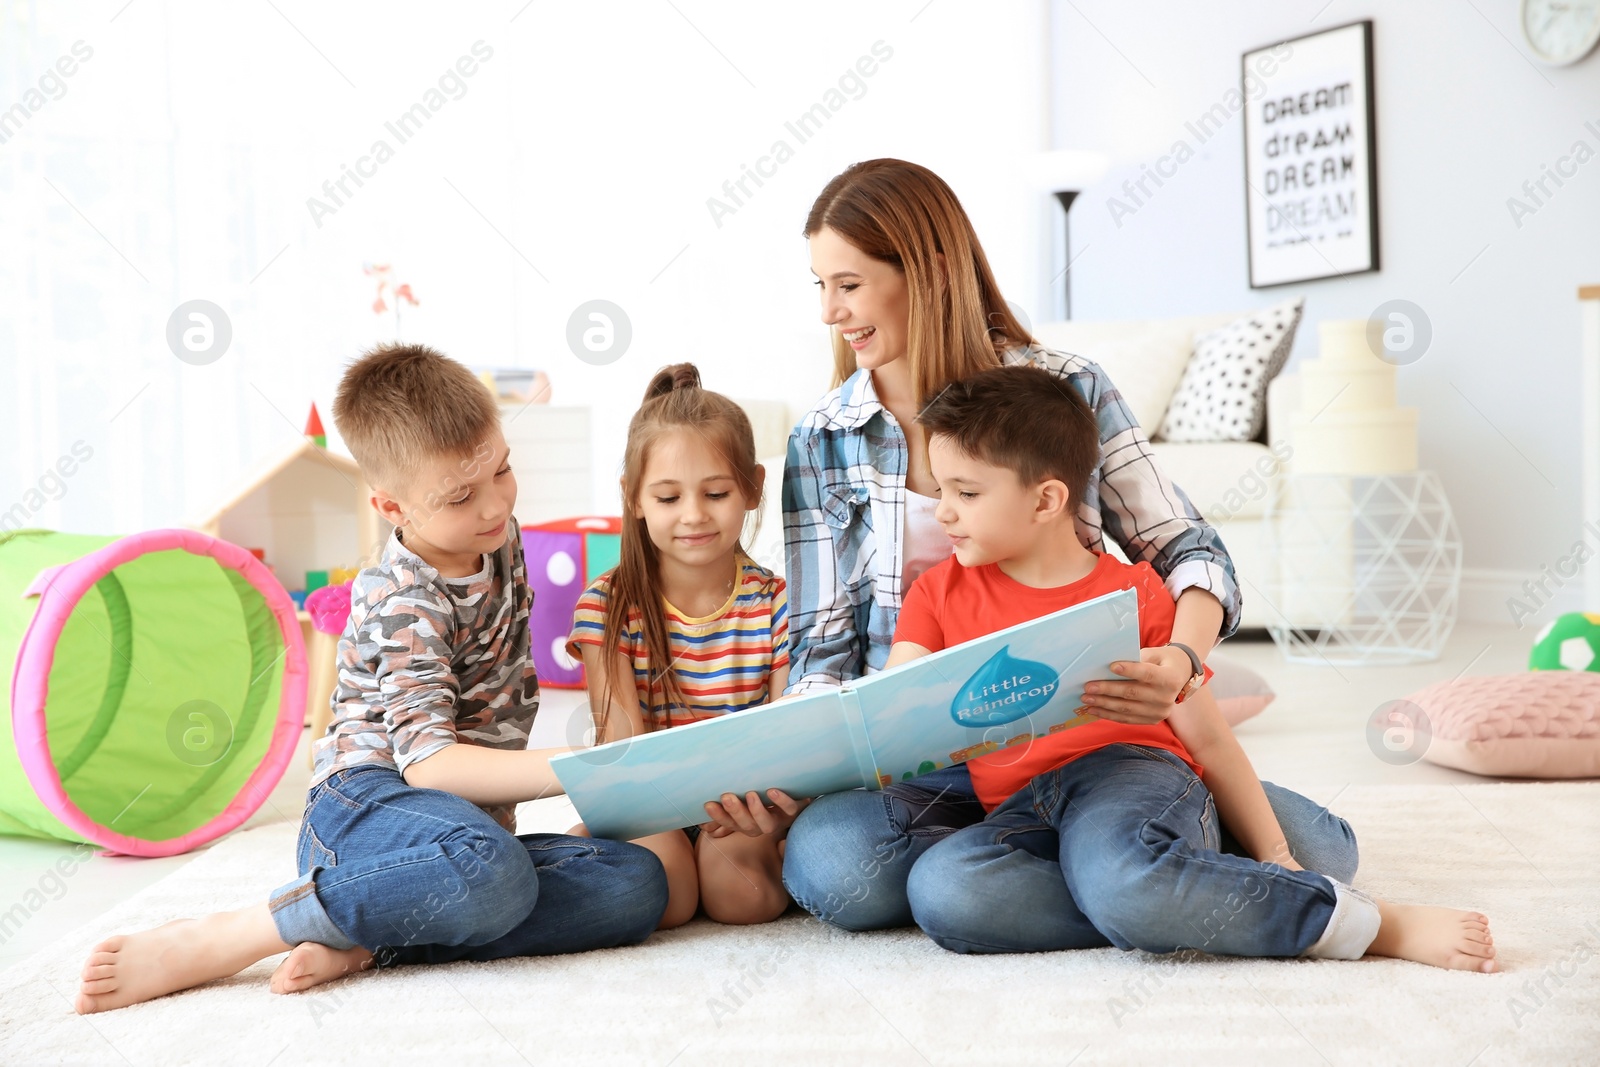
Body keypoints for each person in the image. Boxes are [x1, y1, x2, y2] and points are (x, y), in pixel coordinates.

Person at [776, 158, 1357, 931]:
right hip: (929, 766)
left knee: (1321, 850)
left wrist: (1180, 662)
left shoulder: (1064, 387)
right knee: (834, 871)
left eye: (846, 284)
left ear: (930, 271)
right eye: (818, 285)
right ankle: (1141, 875)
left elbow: (1186, 547)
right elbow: (821, 654)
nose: (828, 312)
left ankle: (1143, 848)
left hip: (1095, 741)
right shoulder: (822, 438)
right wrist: (799, 761)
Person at [74, 343, 667, 1014]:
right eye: (459, 496)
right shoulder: (401, 598)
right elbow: (432, 768)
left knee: (636, 884)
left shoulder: (501, 536)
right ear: (392, 506)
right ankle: (240, 932)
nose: (493, 504)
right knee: (495, 873)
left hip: (454, 837)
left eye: (501, 468)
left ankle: (376, 937)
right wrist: (578, 764)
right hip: (361, 811)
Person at [895, 364, 1495, 970]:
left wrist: (1278, 854)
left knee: (1122, 873)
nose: (942, 512)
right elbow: (896, 706)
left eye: (965, 493)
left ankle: (1365, 922)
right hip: (1022, 806)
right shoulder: (935, 593)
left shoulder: (1133, 596)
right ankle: (1155, 893)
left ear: (1047, 499)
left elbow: (1207, 735)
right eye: (939, 490)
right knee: (946, 891)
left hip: (1129, 777)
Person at [568, 364, 798, 928]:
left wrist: (766, 812)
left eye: (716, 493)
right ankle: (586, 846)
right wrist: (656, 816)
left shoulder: (775, 601)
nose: (694, 515)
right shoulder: (607, 605)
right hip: (649, 798)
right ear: (634, 499)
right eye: (668, 497)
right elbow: (619, 748)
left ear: (752, 487)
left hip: (748, 801)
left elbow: (791, 733)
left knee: (740, 899)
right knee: (664, 901)